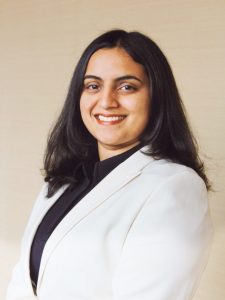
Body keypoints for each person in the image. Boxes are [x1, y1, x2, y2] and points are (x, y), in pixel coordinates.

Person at [6, 29, 213, 300]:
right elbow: (23, 284)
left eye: (127, 86)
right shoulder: (60, 183)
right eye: (93, 86)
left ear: (157, 97)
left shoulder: (175, 187)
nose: (106, 101)